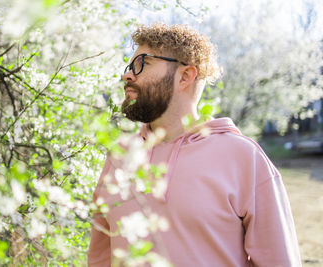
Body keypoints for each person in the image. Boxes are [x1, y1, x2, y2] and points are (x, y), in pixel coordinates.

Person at [87, 23, 301, 267]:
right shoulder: (120, 155)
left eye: (142, 64)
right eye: (129, 66)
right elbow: (100, 257)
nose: (128, 75)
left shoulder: (242, 157)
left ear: (185, 76)